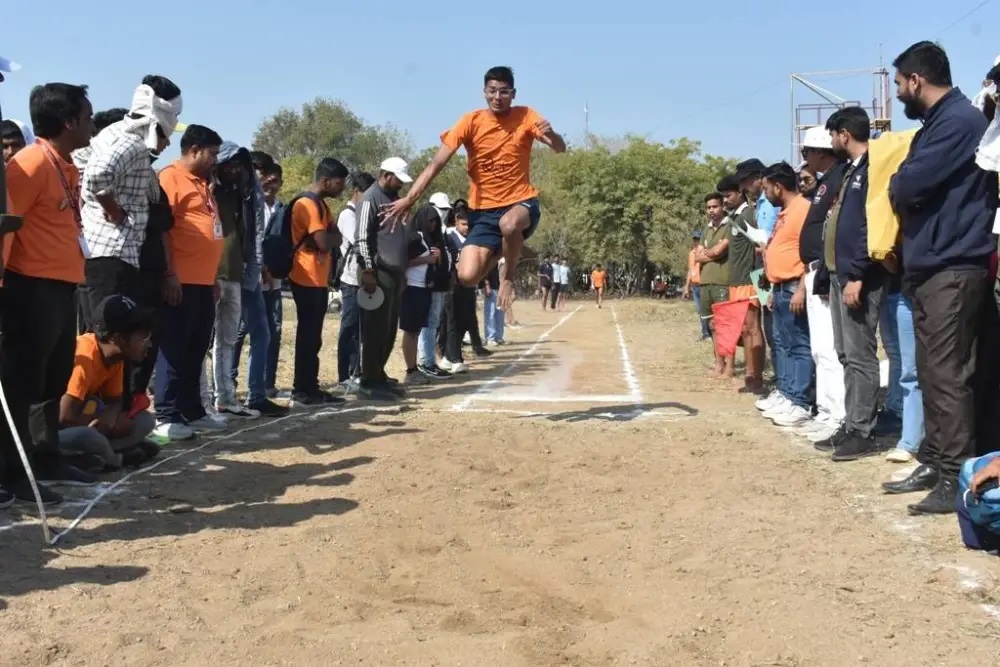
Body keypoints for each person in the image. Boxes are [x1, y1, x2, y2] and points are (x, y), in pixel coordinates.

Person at [882, 41, 998, 515]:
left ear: (916, 81)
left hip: (954, 266)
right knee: (933, 372)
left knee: (949, 375)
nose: (898, 96)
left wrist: (899, 183)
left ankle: (955, 475)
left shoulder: (959, 122)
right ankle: (935, 460)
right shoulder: (939, 124)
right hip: (933, 267)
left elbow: (905, 184)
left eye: (899, 86)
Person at [382, 66, 566, 311]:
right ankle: (512, 247)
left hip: (521, 204)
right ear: (484, 92)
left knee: (509, 225)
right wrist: (409, 199)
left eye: (504, 92)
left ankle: (509, 275)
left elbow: (559, 148)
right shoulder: (470, 121)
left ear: (513, 93)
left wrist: (552, 134)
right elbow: (437, 163)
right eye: (492, 91)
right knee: (467, 277)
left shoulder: (526, 116)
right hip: (483, 212)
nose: (497, 98)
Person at [2, 83, 99, 503]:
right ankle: (13, 469)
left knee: (52, 377)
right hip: (29, 288)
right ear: (69, 122)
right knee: (22, 381)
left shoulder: (65, 164)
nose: (93, 124)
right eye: (88, 116)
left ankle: (45, 454)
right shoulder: (30, 164)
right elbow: (7, 224)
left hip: (61, 288)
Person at [78, 80, 180, 409]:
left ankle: (118, 416)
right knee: (109, 340)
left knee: (122, 339)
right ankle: (96, 419)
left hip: (120, 255)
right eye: (166, 135)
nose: (166, 143)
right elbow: (96, 177)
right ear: (155, 124)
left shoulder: (119, 138)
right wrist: (114, 211)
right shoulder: (130, 142)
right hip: (109, 254)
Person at [814, 107, 889, 461]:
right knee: (845, 354)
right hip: (839, 274)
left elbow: (869, 226)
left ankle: (863, 429)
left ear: (844, 134)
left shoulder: (873, 168)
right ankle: (851, 421)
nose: (831, 142)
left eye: (832, 135)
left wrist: (857, 274)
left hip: (859, 277)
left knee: (860, 355)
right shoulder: (850, 172)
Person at [154, 124, 226, 441]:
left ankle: (192, 410)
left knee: (197, 347)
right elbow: (163, 231)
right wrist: (169, 274)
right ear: (194, 150)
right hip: (179, 280)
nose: (215, 160)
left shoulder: (203, 183)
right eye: (212, 153)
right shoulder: (170, 177)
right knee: (173, 347)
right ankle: (166, 415)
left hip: (203, 282)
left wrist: (213, 277)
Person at [59, 295, 159, 471]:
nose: (149, 344)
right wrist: (93, 422)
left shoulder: (116, 358)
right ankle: (114, 459)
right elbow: (63, 417)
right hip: (55, 431)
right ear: (119, 339)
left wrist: (110, 420)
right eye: (143, 338)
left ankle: (97, 456)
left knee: (145, 421)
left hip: (84, 422)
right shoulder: (86, 354)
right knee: (89, 437)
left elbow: (115, 401)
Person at [795, 125, 847, 444]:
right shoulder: (824, 184)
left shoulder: (837, 179)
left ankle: (837, 414)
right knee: (819, 349)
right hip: (814, 269)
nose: (804, 159)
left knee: (829, 348)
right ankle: (826, 410)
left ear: (819, 152)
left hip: (825, 271)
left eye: (806, 153)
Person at [287, 157, 348, 406]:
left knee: (314, 337)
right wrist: (326, 239)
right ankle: (301, 390)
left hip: (318, 278)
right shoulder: (306, 204)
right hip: (304, 275)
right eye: (338, 182)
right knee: (308, 335)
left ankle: (310, 386)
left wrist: (328, 238)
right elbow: (326, 241)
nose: (342, 187)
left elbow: (337, 237)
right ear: (325, 180)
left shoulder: (323, 206)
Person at [758, 162, 813, 428]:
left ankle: (799, 400)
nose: (765, 194)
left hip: (793, 288)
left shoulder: (802, 210)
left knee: (799, 345)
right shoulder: (785, 213)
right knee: (782, 344)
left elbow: (809, 255)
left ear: (779, 187)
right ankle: (788, 393)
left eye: (767, 188)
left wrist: (801, 288)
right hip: (779, 288)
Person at [356, 158, 413, 401]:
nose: (400, 183)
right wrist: (368, 270)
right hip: (378, 272)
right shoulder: (370, 198)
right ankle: (369, 380)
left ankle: (378, 373)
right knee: (375, 328)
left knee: (388, 327)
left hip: (394, 273)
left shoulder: (392, 198)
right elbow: (362, 237)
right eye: (398, 178)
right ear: (385, 174)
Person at [234, 160, 285, 399]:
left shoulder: (281, 210)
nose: (270, 184)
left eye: (275, 180)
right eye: (266, 178)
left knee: (272, 330)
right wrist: (260, 264)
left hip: (273, 281)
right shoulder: (250, 205)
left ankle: (266, 383)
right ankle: (230, 385)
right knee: (239, 331)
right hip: (252, 278)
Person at [718, 177, 765, 394]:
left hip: (751, 279)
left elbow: (762, 243)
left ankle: (755, 378)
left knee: (752, 328)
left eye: (728, 195)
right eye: (723, 197)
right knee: (744, 330)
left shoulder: (748, 215)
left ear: (739, 193)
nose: (725, 200)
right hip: (736, 281)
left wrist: (761, 282)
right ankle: (750, 374)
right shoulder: (734, 218)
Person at [334, 171, 376, 391]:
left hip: (363, 281)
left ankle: (357, 372)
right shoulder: (348, 216)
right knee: (349, 328)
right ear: (357, 192)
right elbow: (361, 241)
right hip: (351, 280)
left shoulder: (361, 214)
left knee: (361, 329)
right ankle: (345, 375)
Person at [400, 205, 442, 386]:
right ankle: (410, 370)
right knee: (410, 331)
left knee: (416, 331)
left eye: (435, 221)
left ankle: (414, 368)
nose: (433, 224)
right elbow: (402, 261)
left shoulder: (422, 238)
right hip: (411, 288)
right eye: (430, 220)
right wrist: (427, 259)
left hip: (423, 288)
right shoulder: (410, 237)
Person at [694, 193, 732, 377]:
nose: (711, 210)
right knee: (712, 325)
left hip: (722, 282)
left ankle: (730, 367)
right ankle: (718, 363)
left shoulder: (729, 226)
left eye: (715, 207)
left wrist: (709, 253)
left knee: (725, 325)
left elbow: (720, 250)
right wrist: (712, 252)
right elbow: (697, 255)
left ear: (722, 206)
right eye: (708, 207)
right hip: (705, 283)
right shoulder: (706, 230)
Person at [419, 199, 455, 379]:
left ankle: (430, 360)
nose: (443, 213)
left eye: (446, 210)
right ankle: (426, 361)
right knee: (429, 323)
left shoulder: (440, 233)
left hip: (440, 284)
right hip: (429, 285)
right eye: (441, 209)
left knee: (434, 322)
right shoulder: (423, 235)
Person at [682, 230, 711, 340]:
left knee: (705, 310)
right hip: (694, 286)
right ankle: (705, 333)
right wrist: (687, 287)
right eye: (694, 239)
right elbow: (690, 270)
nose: (696, 241)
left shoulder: (705, 252)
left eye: (698, 239)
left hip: (703, 284)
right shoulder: (691, 254)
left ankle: (707, 333)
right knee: (700, 310)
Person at [483, 262, 504, 345]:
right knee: (490, 313)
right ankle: (490, 337)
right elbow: (484, 272)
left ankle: (499, 337)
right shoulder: (491, 257)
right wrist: (487, 285)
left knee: (500, 314)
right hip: (492, 287)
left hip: (501, 288)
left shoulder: (503, 258)